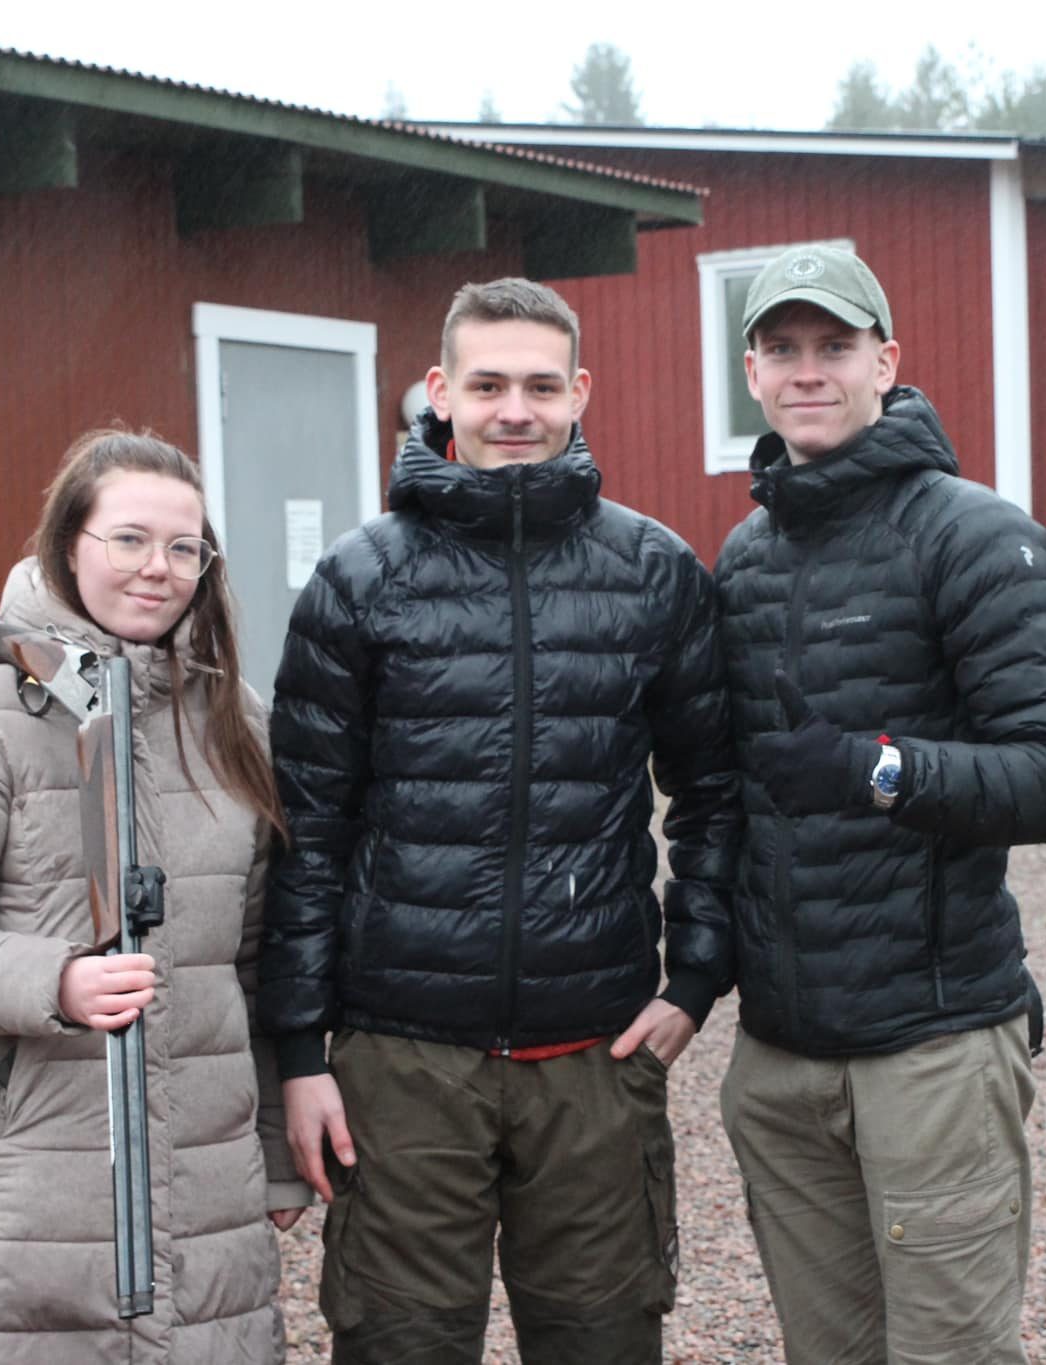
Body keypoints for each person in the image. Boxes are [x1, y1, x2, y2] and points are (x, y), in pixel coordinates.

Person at [258, 278, 737, 1364]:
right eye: (487, 384)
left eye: (537, 384)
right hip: (402, 1059)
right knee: (401, 1346)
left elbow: (713, 791)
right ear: (441, 392)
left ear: (579, 394)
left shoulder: (653, 572)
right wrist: (299, 1051)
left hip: (594, 1054)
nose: (512, 409)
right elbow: (308, 827)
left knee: (603, 1342)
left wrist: (695, 980)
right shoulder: (361, 580)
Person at [713, 244, 1046, 1364]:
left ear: (885, 360)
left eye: (834, 346)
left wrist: (880, 768)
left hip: (932, 1049)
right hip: (783, 1060)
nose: (808, 372)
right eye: (783, 349)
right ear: (752, 370)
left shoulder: (974, 536)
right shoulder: (743, 560)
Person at [0, 429, 308, 1363]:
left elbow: (254, 962)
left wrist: (271, 1149)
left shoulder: (235, 723)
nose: (159, 568)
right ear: (66, 545)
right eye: (128, 539)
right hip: (11, 1196)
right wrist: (58, 979)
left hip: (203, 1198)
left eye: (184, 547)